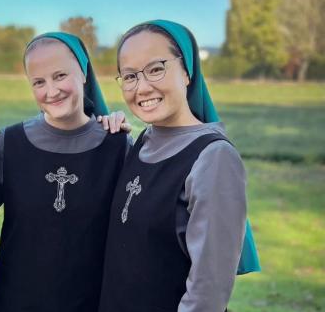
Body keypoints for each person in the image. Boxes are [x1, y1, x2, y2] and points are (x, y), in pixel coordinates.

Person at [98, 20, 260, 312]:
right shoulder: (142, 142)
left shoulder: (213, 157)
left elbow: (207, 292)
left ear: (187, 71)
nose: (142, 87)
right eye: (130, 76)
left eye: (156, 69)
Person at [0, 32, 129, 312]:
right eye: (39, 82)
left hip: (91, 301)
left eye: (60, 75)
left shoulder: (117, 145)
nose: (51, 91)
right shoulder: (10, 143)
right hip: (17, 301)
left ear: (84, 73)